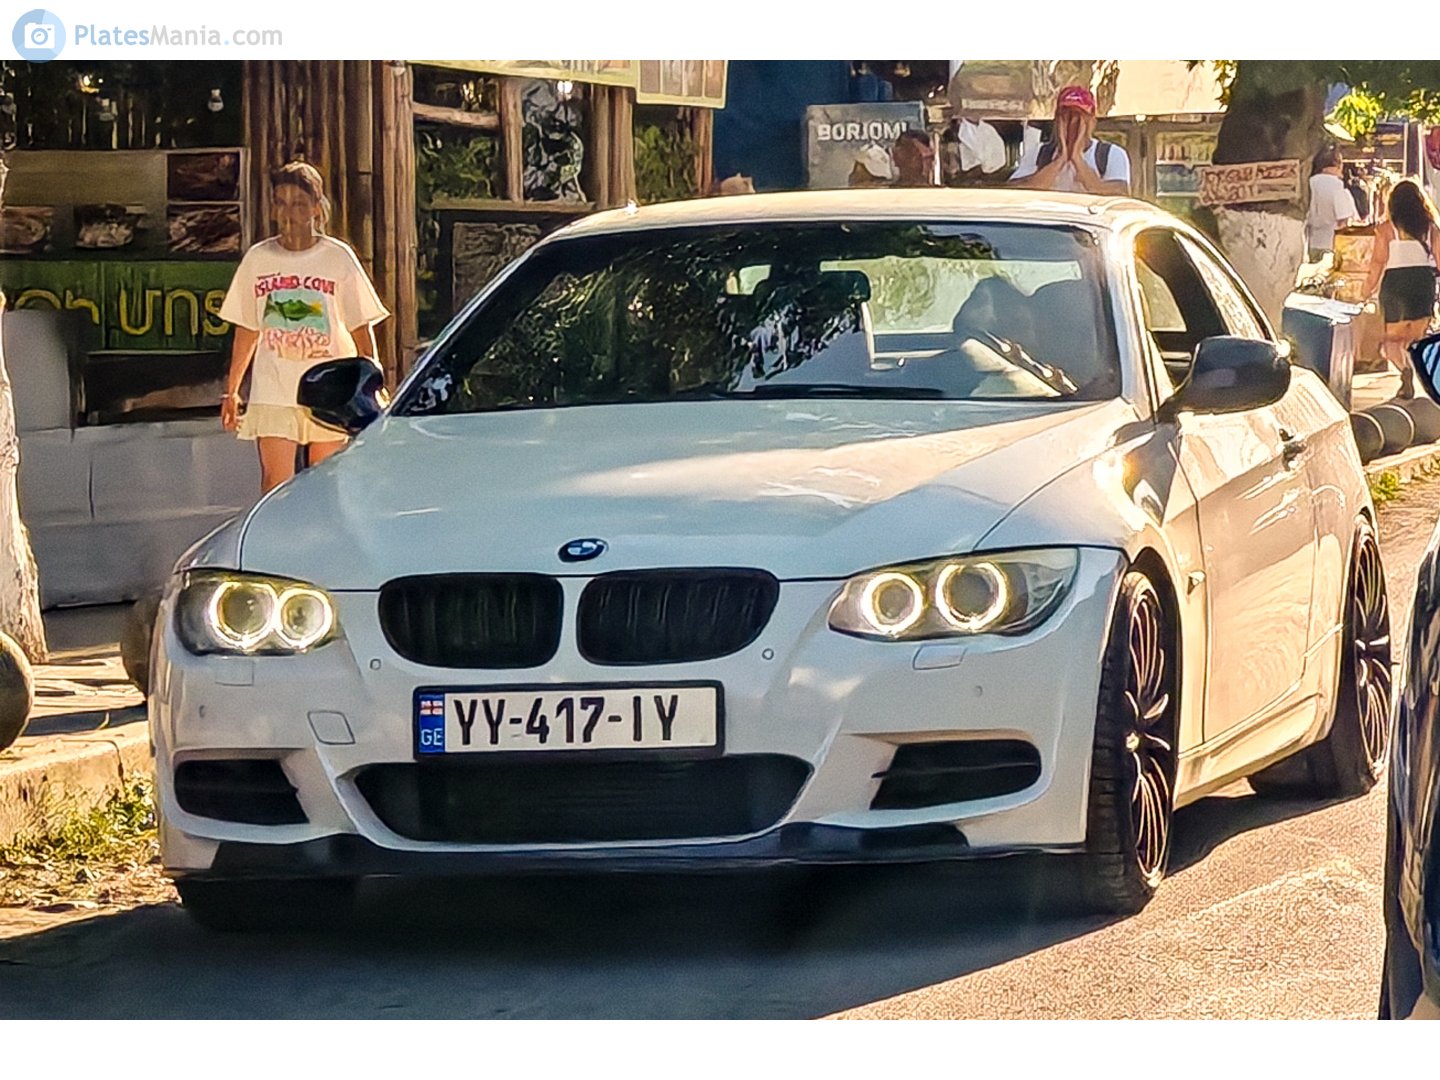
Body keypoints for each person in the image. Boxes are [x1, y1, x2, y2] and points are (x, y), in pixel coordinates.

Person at [218, 161, 389, 494]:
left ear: (315, 206)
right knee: (275, 484)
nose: (289, 213)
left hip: (328, 387)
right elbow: (248, 327)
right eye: (281, 203)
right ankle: (276, 544)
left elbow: (360, 326)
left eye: (298, 204)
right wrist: (233, 389)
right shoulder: (258, 259)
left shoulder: (337, 257)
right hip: (275, 385)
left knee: (325, 483)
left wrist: (372, 382)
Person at [1362, 178, 1440, 399]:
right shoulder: (1430, 228)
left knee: (1390, 341)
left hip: (1395, 284)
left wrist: (1366, 290)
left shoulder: (1387, 229)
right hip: (1422, 284)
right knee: (1415, 341)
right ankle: (1412, 370)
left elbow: (1377, 262)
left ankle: (1403, 370)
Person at [1008, 85, 1129, 195]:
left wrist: (1078, 160)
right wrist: (1059, 161)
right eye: (1066, 116)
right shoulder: (1038, 154)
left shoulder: (1111, 154)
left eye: (1079, 118)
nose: (1072, 123)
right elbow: (1015, 192)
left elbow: (1119, 193)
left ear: (1092, 121)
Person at [1306, 146, 1359, 260]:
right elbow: (1343, 218)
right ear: (1337, 164)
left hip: (1311, 242)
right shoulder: (1336, 185)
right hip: (1331, 243)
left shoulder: (1310, 182)